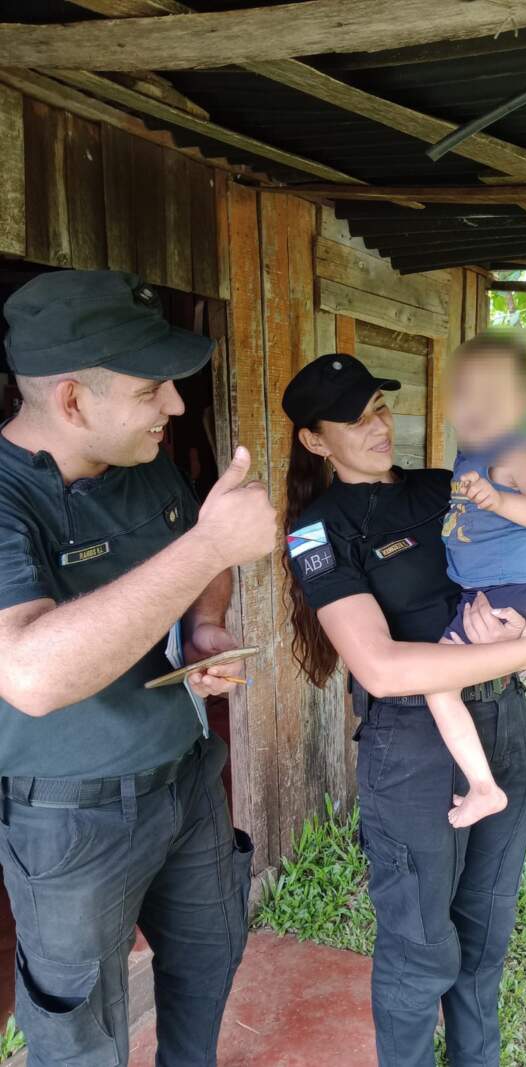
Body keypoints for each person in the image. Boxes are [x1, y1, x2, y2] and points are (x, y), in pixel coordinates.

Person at [0, 270, 276, 1067]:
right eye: (154, 387)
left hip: (186, 778)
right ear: (74, 402)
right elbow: (29, 671)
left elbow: (197, 555)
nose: (177, 407)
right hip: (69, 823)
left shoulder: (145, 463)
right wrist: (210, 546)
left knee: (208, 960)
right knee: (80, 1034)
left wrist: (206, 626)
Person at [282, 352, 526, 1067]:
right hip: (412, 748)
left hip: (502, 722)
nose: (378, 424)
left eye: (378, 404)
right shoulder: (318, 530)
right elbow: (379, 664)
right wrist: (525, 651)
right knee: (421, 948)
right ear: (314, 440)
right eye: (354, 416)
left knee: (485, 934)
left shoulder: (445, 487)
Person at [427, 332, 526, 828]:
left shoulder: (516, 453)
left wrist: (501, 500)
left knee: (438, 686)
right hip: (487, 591)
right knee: (452, 681)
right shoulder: (469, 456)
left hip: (511, 588)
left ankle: (484, 789)